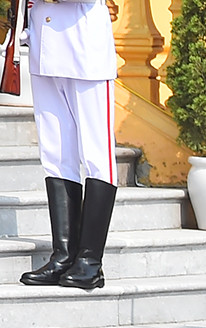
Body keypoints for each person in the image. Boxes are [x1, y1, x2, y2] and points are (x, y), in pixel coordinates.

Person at [17, 0, 118, 289]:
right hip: (44, 46)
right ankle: (63, 256)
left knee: (98, 156)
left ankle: (90, 262)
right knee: (55, 152)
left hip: (84, 46)